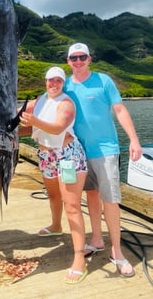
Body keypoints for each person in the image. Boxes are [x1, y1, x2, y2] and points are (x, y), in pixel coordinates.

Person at [65, 42, 142, 277]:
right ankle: (97, 239)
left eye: (82, 57)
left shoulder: (104, 81)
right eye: (73, 58)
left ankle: (116, 251)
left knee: (111, 201)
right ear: (68, 61)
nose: (78, 61)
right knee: (91, 195)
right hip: (77, 153)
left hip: (106, 150)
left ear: (90, 59)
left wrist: (134, 140)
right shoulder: (65, 85)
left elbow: (119, 110)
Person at [20, 67, 88, 284]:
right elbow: (24, 124)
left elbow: (59, 127)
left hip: (67, 157)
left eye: (59, 80)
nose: (54, 84)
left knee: (72, 206)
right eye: (51, 80)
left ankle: (79, 258)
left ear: (63, 83)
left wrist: (33, 121)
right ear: (45, 81)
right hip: (45, 155)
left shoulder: (66, 103)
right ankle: (56, 226)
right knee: (53, 195)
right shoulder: (40, 100)